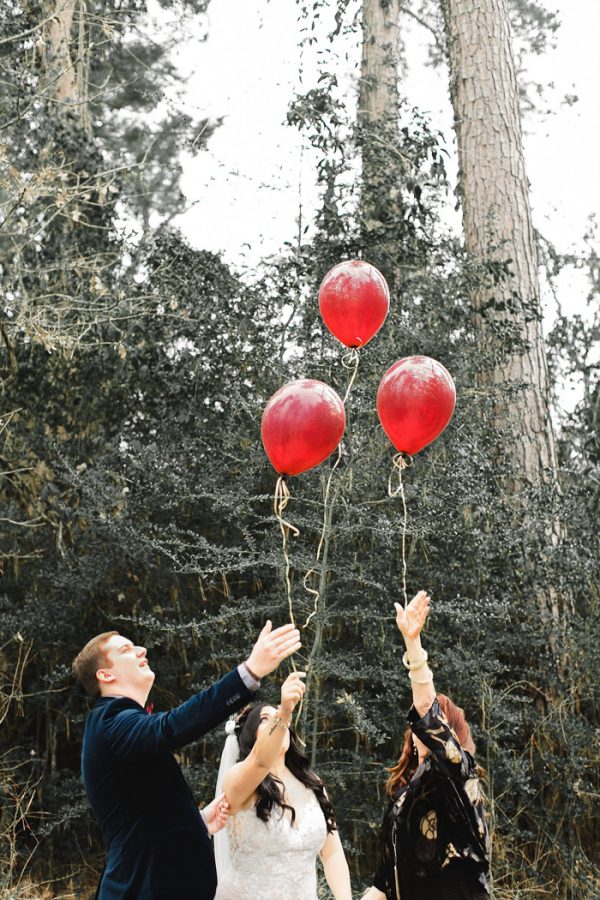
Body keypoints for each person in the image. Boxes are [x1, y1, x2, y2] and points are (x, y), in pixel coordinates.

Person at [72, 620, 301, 899]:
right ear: (106, 675)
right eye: (127, 650)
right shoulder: (111, 721)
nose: (142, 650)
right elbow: (170, 727)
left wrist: (197, 822)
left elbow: (140, 818)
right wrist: (250, 672)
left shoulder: (118, 725)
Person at [363, 590, 490, 900]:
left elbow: (425, 705)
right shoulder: (403, 799)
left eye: (437, 721)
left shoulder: (461, 779)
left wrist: (413, 646)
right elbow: (384, 881)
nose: (427, 723)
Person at [213, 671, 352, 900]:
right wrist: (284, 711)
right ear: (250, 737)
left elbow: (332, 852)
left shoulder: (312, 783)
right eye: (265, 719)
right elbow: (259, 760)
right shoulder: (238, 781)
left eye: (279, 718)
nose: (279, 722)